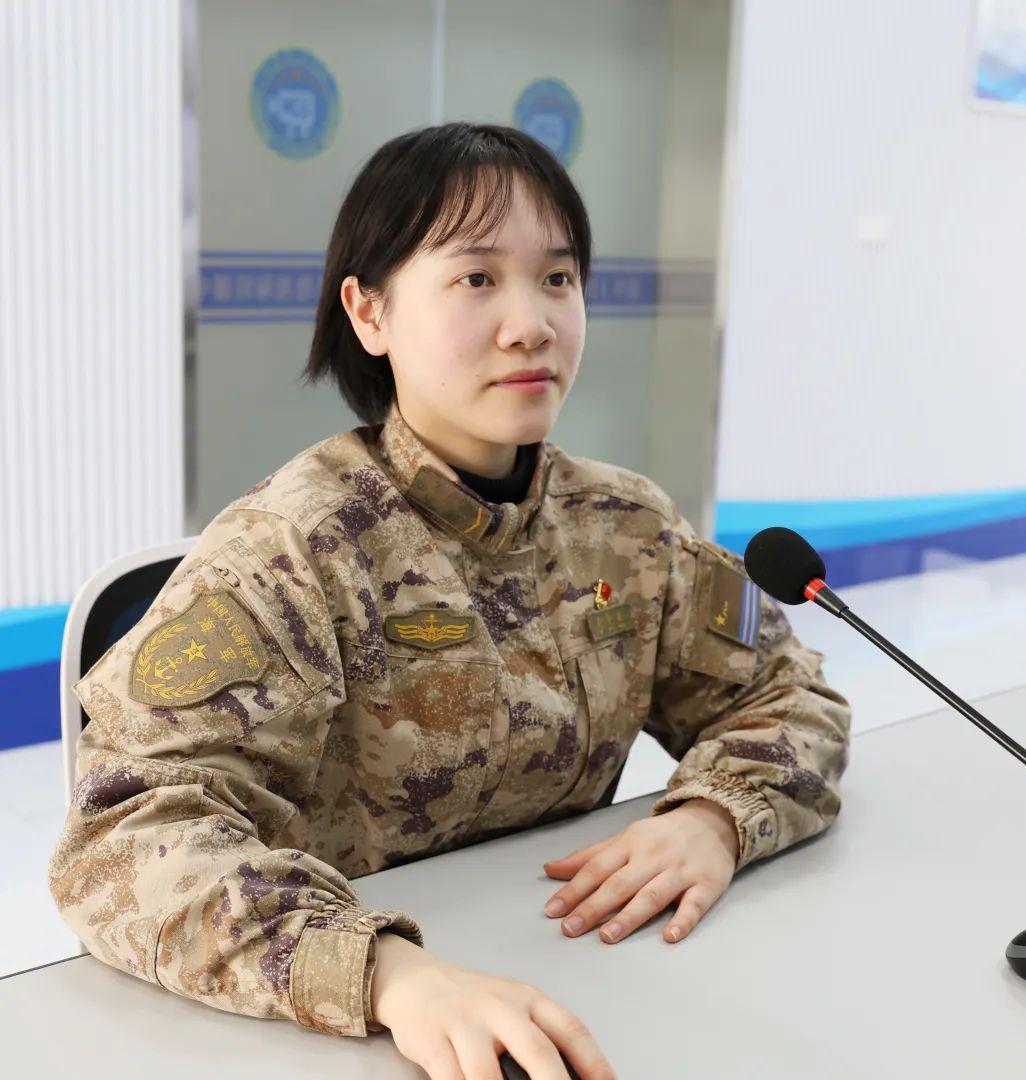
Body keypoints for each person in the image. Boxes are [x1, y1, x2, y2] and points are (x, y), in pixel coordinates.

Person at [48, 122, 852, 1080]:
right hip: (334, 1034)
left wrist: (712, 819)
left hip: (603, 981)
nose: (531, 323)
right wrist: (386, 975)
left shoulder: (626, 526)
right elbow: (120, 840)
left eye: (558, 277)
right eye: (476, 278)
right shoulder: (293, 550)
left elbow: (789, 696)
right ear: (370, 313)